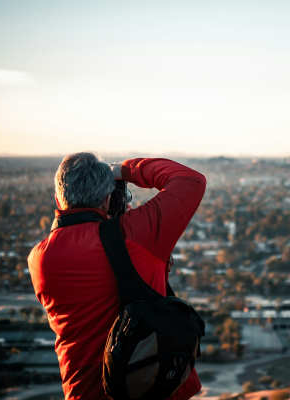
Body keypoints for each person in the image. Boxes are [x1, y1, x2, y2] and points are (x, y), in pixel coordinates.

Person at [28, 153, 206, 400]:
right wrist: (124, 170)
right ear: (109, 199)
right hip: (150, 389)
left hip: (82, 392)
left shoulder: (40, 258)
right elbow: (189, 180)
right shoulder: (135, 236)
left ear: (58, 199)